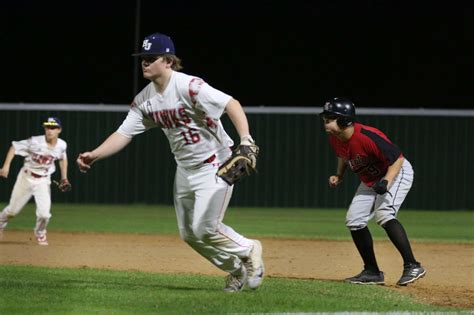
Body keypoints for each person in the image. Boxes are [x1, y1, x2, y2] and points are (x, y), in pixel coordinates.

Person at [76, 32, 264, 292]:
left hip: (215, 165)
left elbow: (231, 104)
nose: (144, 63)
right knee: (189, 234)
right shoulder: (145, 100)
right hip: (185, 169)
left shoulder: (190, 86)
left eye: (150, 58)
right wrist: (95, 154)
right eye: (142, 58)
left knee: (205, 228)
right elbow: (123, 133)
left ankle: (249, 248)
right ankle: (236, 269)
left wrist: (245, 139)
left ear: (168, 61)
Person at [320, 97, 426, 286]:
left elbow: (398, 159)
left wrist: (386, 181)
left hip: (396, 172)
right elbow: (343, 156)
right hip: (370, 180)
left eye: (330, 118)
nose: (325, 122)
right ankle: (372, 272)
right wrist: (339, 174)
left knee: (384, 214)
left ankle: (413, 265)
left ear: (345, 120)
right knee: (354, 220)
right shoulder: (335, 138)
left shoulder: (366, 136)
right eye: (325, 118)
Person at [0, 117, 70, 246]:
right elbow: (14, 147)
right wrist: (6, 166)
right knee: (12, 211)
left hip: (43, 181)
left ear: (59, 130)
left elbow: (62, 158)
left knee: (44, 214)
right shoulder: (35, 141)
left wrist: (64, 177)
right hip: (26, 177)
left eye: (53, 128)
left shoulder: (62, 145)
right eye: (47, 127)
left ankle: (40, 233)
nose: (49, 130)